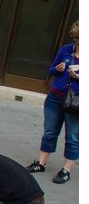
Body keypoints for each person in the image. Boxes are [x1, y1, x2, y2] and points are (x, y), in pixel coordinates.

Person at [25, 20, 79, 184]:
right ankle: (41, 163)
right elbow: (51, 69)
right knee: (49, 131)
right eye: (77, 38)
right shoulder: (66, 50)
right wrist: (58, 69)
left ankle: (66, 170)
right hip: (56, 97)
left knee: (73, 137)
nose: (78, 42)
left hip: (78, 100)